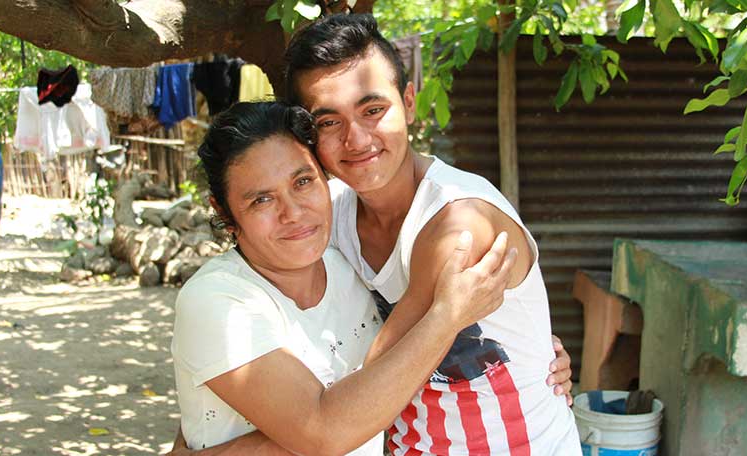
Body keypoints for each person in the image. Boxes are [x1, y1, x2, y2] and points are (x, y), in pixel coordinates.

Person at [283, 14, 582, 455]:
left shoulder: (460, 223)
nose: (356, 139)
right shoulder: (332, 216)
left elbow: (366, 398)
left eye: (372, 110)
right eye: (329, 122)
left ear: (408, 102)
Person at [172, 101, 521, 455]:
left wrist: (534, 354)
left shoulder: (345, 259)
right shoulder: (217, 301)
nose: (293, 213)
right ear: (224, 213)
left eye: (303, 181)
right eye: (262, 200)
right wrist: (447, 317)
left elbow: (388, 373)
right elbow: (324, 433)